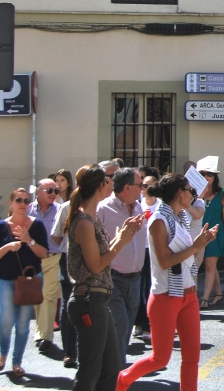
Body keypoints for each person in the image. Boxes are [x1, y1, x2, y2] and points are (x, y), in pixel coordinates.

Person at [117, 174, 218, 391]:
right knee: (160, 359)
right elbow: (164, 262)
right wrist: (195, 246)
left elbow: (186, 252)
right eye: (190, 190)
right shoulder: (158, 221)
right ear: (179, 193)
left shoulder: (180, 217)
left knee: (192, 357)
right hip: (165, 296)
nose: (193, 194)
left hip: (188, 295)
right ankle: (121, 380)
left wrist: (202, 240)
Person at [66, 164, 143, 391]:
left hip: (99, 300)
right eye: (108, 180)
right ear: (101, 186)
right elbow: (96, 265)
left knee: (111, 367)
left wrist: (120, 235)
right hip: (89, 301)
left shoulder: (91, 218)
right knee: (90, 371)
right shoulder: (84, 222)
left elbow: (99, 254)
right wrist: (121, 242)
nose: (112, 183)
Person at [96, 167, 148, 365]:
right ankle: (115, 375)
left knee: (125, 330)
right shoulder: (103, 209)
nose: (142, 188)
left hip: (135, 279)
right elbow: (96, 247)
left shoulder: (138, 207)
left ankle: (114, 370)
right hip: (112, 278)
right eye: (140, 185)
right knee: (119, 326)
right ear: (127, 187)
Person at [0, 188, 50, 377]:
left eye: (26, 201)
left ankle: (17, 362)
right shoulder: (2, 226)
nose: (22, 204)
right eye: (19, 200)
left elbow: (44, 253)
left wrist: (29, 241)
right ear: (11, 203)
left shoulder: (36, 225)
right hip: (5, 280)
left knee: (22, 324)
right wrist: (7, 246)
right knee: (5, 321)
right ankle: (2, 354)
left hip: (30, 281)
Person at [28, 178, 61, 353]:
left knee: (49, 295)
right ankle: (40, 332)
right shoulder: (28, 209)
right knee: (37, 297)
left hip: (54, 258)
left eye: (56, 190)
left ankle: (46, 336)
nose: (54, 194)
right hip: (33, 259)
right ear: (38, 192)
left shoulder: (60, 210)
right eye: (49, 191)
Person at [199, 156, 224, 309]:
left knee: (209, 264)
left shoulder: (222, 193)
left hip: (216, 234)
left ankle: (205, 298)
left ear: (215, 177)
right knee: (211, 266)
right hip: (199, 234)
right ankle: (218, 293)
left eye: (210, 174)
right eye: (203, 174)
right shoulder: (194, 194)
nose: (206, 177)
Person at [49, 186, 79, 367]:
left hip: (76, 257)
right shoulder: (66, 207)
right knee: (70, 303)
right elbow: (56, 235)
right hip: (69, 259)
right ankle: (70, 351)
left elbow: (56, 236)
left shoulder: (99, 206)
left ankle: (74, 351)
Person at [133, 166, 159, 342]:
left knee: (152, 288)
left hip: (155, 251)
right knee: (139, 289)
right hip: (139, 250)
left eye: (148, 185)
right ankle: (138, 323)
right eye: (142, 185)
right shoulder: (136, 206)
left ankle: (151, 324)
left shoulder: (162, 206)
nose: (144, 188)